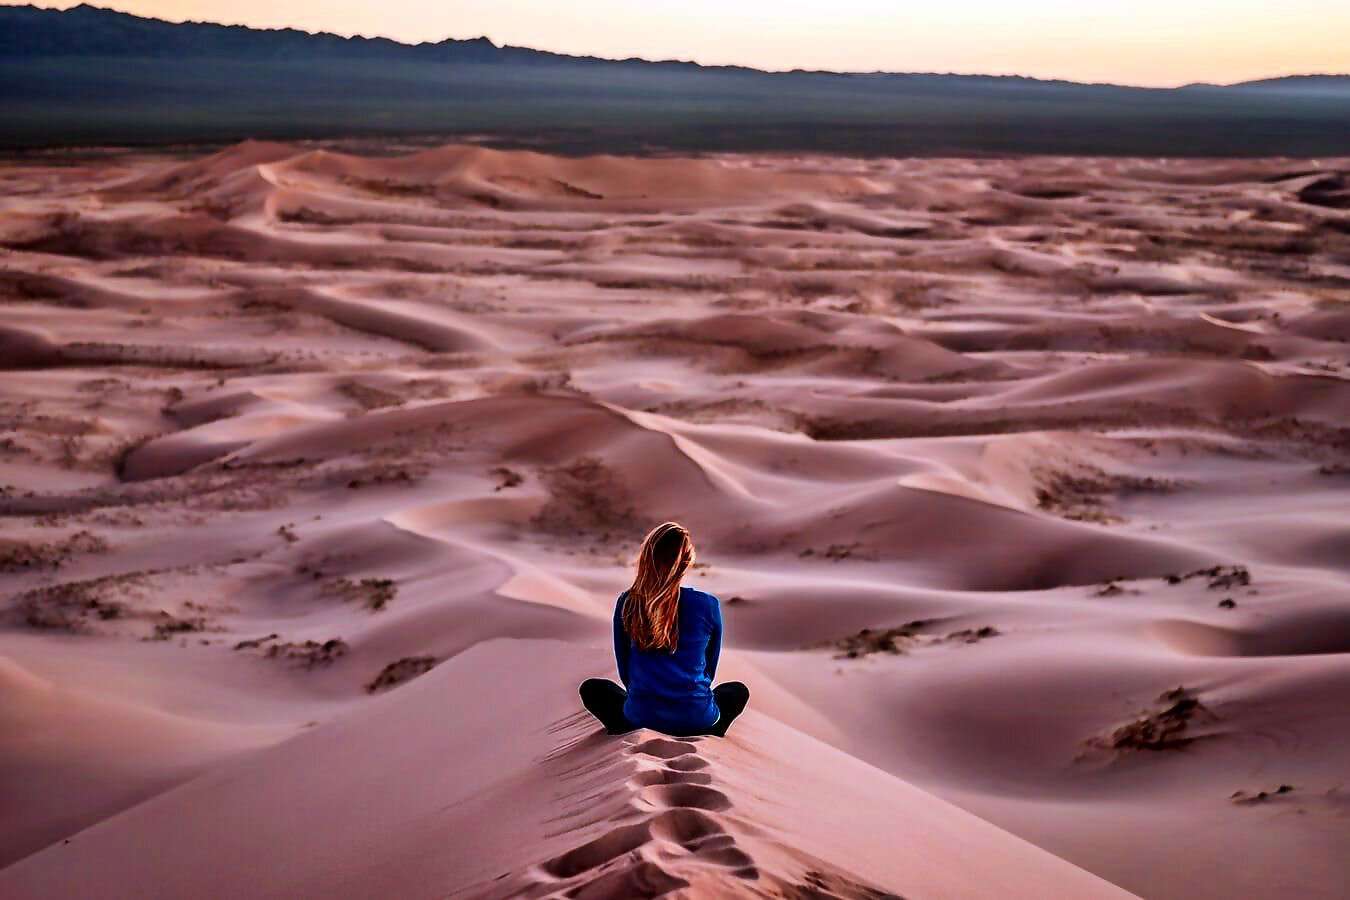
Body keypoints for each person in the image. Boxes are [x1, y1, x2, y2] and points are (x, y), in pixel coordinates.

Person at [580, 521, 749, 737]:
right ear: (686, 562)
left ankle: (634, 725)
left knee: (593, 689)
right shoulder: (708, 604)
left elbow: (626, 672)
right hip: (697, 718)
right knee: (736, 692)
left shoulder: (628, 603)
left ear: (645, 558)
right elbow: (709, 670)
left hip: (641, 717)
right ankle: (707, 729)